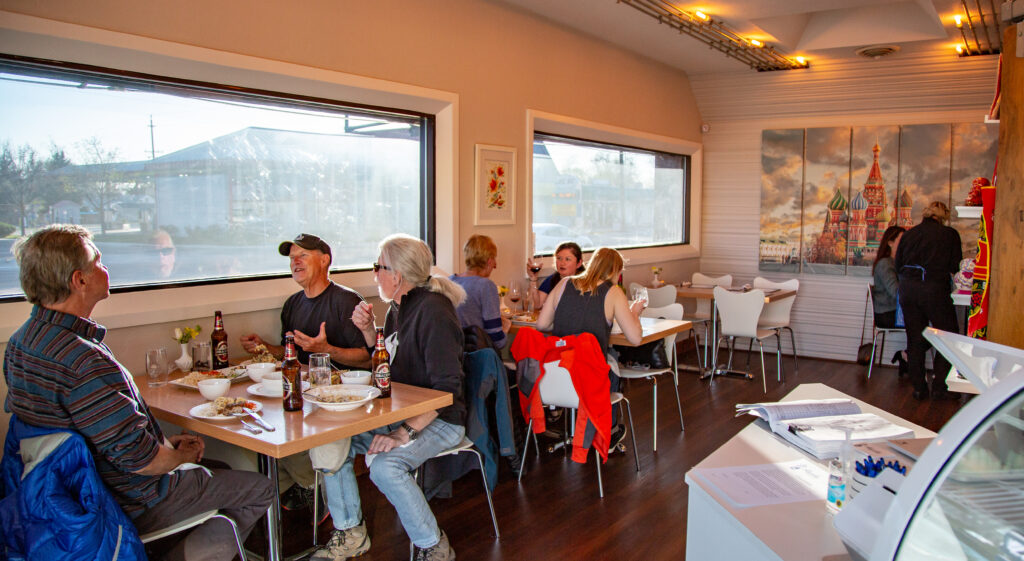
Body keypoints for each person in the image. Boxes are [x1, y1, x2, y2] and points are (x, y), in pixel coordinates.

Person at [3, 224, 273, 561]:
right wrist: (176, 456)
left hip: (60, 494)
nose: (106, 268)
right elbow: (144, 462)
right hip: (124, 499)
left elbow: (92, 437)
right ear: (79, 280)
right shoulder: (83, 361)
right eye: (98, 261)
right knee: (260, 488)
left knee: (219, 466)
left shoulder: (21, 343)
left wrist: (164, 446)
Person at [312, 234, 466, 561]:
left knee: (385, 466)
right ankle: (351, 532)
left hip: (441, 419)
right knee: (327, 441)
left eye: (377, 267)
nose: (374, 275)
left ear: (397, 275)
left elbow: (448, 390)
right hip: (402, 412)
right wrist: (370, 332)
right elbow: (387, 362)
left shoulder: (434, 312)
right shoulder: (398, 307)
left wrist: (403, 432)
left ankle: (433, 546)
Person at [239, 232, 371, 509]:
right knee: (261, 425)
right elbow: (291, 354)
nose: (295, 263)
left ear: (324, 260)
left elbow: (369, 360)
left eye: (303, 256)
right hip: (300, 391)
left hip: (340, 400)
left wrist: (326, 349)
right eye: (292, 258)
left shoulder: (347, 301)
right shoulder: (292, 304)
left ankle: (315, 489)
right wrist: (264, 346)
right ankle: (298, 489)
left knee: (289, 430)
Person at [534, 246, 643, 448]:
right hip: (586, 381)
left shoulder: (564, 283)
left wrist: (565, 323)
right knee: (611, 362)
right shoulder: (613, 292)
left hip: (553, 377)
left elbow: (541, 325)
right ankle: (606, 433)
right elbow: (635, 339)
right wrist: (635, 312)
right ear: (615, 271)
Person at [894, 201, 962, 400]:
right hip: (934, 289)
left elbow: (897, 265)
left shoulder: (909, 234)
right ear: (943, 216)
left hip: (908, 289)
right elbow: (954, 265)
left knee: (915, 338)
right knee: (947, 336)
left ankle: (919, 387)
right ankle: (941, 386)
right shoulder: (949, 234)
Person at [450, 234, 511, 348]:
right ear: (489, 261)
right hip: (478, 356)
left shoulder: (450, 281)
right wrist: (506, 328)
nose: (495, 265)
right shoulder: (486, 286)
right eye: (494, 259)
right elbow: (497, 341)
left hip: (455, 354)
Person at [871, 225, 907, 375]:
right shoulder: (885, 264)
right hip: (887, 313)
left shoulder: (895, 262)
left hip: (892, 311)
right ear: (890, 242)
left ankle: (907, 356)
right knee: (926, 326)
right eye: (902, 240)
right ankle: (907, 355)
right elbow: (895, 292)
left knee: (927, 325)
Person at [527, 241, 585, 311]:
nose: (562, 263)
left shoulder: (586, 281)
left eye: (567, 259)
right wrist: (533, 279)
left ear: (579, 263)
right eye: (559, 258)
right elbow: (537, 305)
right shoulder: (552, 279)